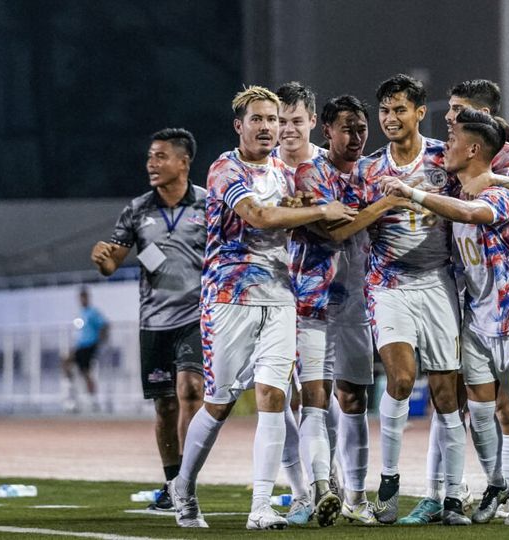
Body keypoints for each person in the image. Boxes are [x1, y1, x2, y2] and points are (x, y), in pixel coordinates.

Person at [168, 86, 356, 530]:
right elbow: (261, 217)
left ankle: (260, 507)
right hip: (229, 299)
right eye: (258, 119)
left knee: (273, 396)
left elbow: (298, 215)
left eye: (274, 119)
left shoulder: (284, 173)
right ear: (240, 126)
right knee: (219, 403)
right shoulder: (223, 169)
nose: (268, 126)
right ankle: (184, 486)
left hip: (280, 297)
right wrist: (319, 209)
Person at [382, 108, 509, 526]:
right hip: (476, 320)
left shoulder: (498, 197)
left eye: (453, 140)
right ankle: (496, 483)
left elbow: (475, 214)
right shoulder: (460, 190)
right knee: (478, 411)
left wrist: (412, 193)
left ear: (474, 149)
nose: (446, 147)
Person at [356, 73, 469, 525]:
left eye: (400, 109)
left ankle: (453, 496)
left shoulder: (446, 158)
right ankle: (388, 480)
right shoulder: (369, 168)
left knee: (447, 395)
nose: (390, 118)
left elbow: (478, 194)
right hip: (389, 284)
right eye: (384, 110)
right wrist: (380, 208)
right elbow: (354, 222)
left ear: (421, 112)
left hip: (440, 282)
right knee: (401, 379)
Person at [290, 95, 406, 525]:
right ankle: (322, 487)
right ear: (327, 131)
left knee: (354, 398)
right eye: (347, 128)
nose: (357, 136)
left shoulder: (374, 171)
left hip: (358, 300)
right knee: (315, 399)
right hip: (313, 300)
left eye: (361, 128)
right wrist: (380, 207)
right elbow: (333, 230)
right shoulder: (309, 172)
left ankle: (355, 498)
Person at [90, 128, 205, 511]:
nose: (151, 165)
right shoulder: (137, 209)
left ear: (183, 162)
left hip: (197, 317)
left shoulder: (209, 204)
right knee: (165, 406)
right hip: (155, 322)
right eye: (149, 158)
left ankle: (186, 483)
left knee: (191, 391)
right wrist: (104, 258)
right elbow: (113, 263)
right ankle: (172, 483)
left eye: (160, 157)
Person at [272, 80, 329, 526]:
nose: (288, 129)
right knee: (282, 396)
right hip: (271, 298)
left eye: (295, 120)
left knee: (330, 396)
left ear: (313, 120)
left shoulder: (331, 167)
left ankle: (339, 487)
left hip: (330, 298)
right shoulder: (260, 168)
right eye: (280, 121)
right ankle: (301, 491)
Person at [61, 288, 108, 413]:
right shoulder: (81, 312)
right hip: (80, 346)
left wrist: (100, 341)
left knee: (86, 372)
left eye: (84, 297)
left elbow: (104, 324)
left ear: (88, 297)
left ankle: (93, 400)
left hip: (89, 346)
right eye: (80, 297)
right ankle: (70, 397)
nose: (82, 300)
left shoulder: (93, 312)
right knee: (66, 362)